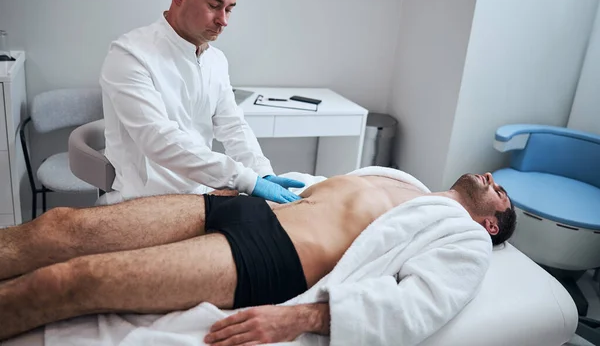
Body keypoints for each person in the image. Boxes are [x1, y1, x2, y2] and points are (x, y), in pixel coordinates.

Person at [0, 169, 515, 343]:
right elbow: (327, 192)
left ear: (491, 224)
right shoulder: (409, 183)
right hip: (248, 208)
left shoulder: (465, 239)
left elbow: (415, 307)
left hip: (272, 254)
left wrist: (301, 318)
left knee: (72, 282)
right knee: (57, 228)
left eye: (501, 194)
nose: (492, 180)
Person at [99, 0, 302, 204]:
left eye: (229, 9)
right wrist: (245, 179)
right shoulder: (130, 55)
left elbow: (233, 126)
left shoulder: (216, 60)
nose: (223, 20)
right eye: (214, 5)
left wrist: (262, 172)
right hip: (146, 201)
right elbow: (158, 139)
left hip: (203, 195)